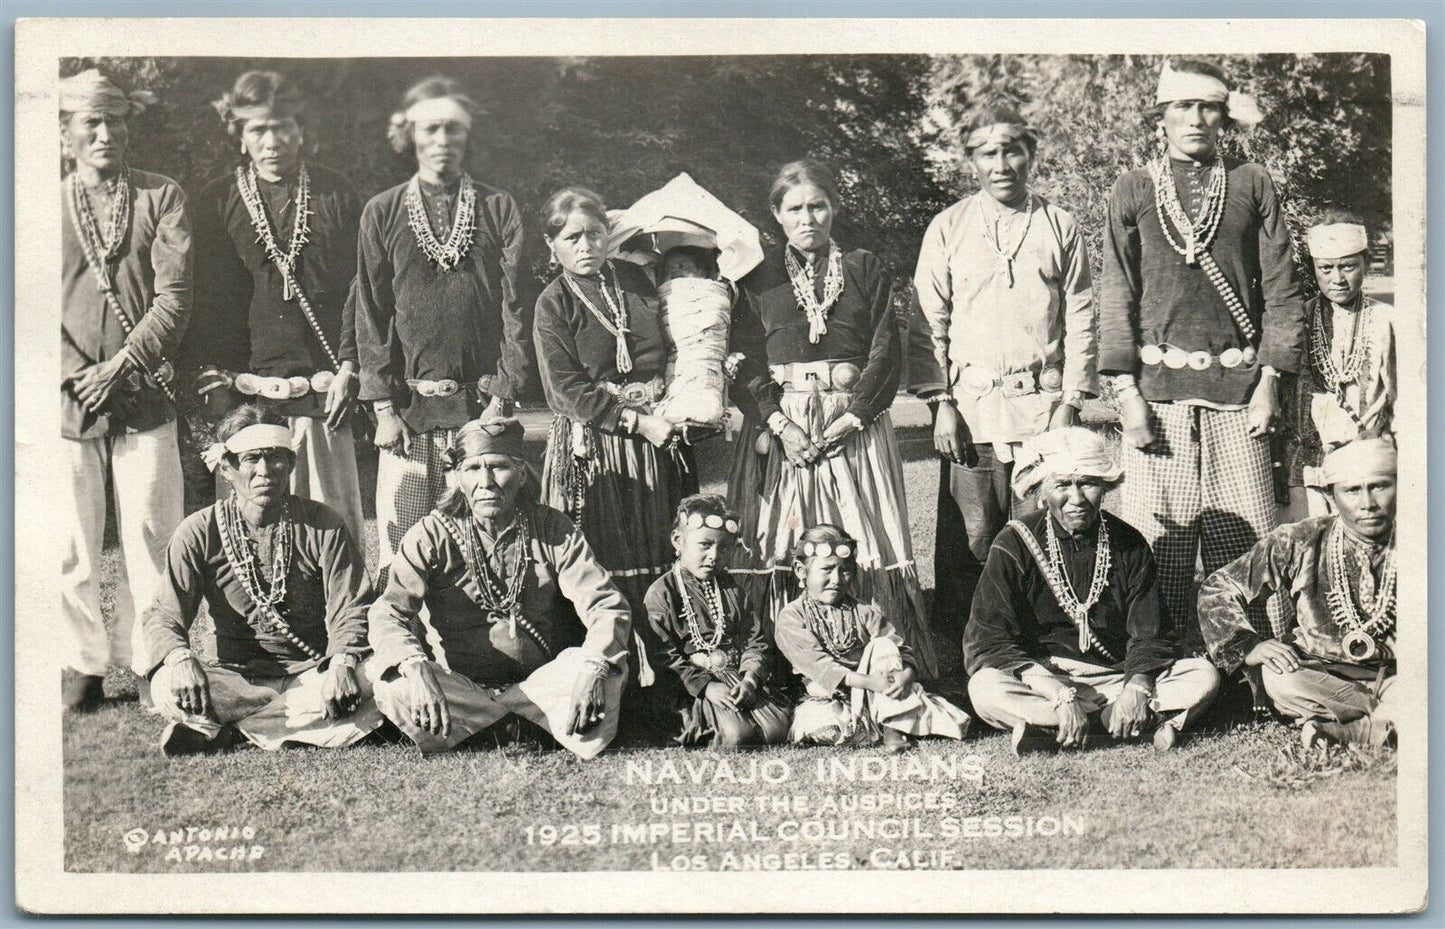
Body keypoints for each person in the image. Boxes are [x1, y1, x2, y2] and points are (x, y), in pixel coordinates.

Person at [1098, 59, 1304, 649]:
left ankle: (1254, 663)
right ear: (1160, 116)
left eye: (1207, 106)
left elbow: (1283, 291)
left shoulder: (1251, 181)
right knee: (1159, 541)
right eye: (1182, 106)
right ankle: (1159, 656)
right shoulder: (1133, 189)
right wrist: (1126, 396)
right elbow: (1117, 293)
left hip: (1239, 395)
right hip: (1157, 398)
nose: (1195, 119)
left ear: (1224, 116)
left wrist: (1270, 383)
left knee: (1245, 543)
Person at [729, 159, 938, 677]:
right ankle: (778, 663)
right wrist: (782, 425)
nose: (808, 218)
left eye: (817, 206)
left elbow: (886, 352)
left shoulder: (864, 267)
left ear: (833, 208)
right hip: (784, 426)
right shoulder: (755, 278)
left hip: (854, 424)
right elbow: (744, 362)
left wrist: (849, 422)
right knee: (778, 534)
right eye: (795, 208)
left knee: (864, 532)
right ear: (776, 214)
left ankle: (885, 659)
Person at [911, 105, 1097, 644]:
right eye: (988, 152)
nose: (1001, 163)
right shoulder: (948, 227)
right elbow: (928, 320)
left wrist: (1070, 401)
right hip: (970, 413)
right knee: (972, 536)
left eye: (1012, 149)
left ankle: (1045, 640)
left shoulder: (1059, 224)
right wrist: (940, 401)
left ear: (1031, 154)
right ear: (972, 160)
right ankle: (966, 649)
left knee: (1042, 529)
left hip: (1041, 408)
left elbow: (1082, 313)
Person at [368, 416, 631, 759]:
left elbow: (605, 605)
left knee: (605, 674)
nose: (486, 482)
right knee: (394, 686)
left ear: (522, 474)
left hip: (540, 686)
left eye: (498, 466)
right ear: (457, 477)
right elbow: (389, 610)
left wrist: (593, 667)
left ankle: (482, 731)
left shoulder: (553, 529)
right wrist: (415, 665)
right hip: (461, 689)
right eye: (473, 468)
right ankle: (527, 726)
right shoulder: (430, 533)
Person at [353, 77, 531, 579]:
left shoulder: (499, 208)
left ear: (468, 136)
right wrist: (383, 408)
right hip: (408, 415)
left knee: (479, 539)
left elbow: (516, 309)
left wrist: (502, 398)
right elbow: (371, 309)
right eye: (430, 129)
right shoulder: (382, 211)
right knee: (403, 542)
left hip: (479, 408)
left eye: (453, 129)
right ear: (410, 135)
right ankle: (403, 649)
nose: (442, 141)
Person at [187, 70, 366, 546]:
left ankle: (345, 617)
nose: (272, 141)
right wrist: (216, 380)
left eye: (283, 126)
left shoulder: (337, 193)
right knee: (255, 530)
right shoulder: (216, 200)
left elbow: (360, 288)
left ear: (302, 130)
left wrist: (350, 365)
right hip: (249, 395)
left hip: (325, 392)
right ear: (240, 137)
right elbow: (207, 300)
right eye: (258, 130)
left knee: (334, 525)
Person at [142, 405, 382, 756]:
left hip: (314, 673)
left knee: (380, 676)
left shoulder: (322, 524)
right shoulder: (199, 530)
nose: (264, 471)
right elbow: (164, 614)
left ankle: (233, 731)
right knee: (166, 685)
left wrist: (343, 662)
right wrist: (180, 659)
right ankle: (292, 718)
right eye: (251, 458)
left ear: (291, 464)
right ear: (227, 467)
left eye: (275, 458)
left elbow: (353, 606)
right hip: (235, 681)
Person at [60, 69, 191, 711]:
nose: (106, 133)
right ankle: (82, 665)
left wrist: (122, 365)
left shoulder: (161, 196)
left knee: (150, 532)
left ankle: (155, 660)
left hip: (142, 392)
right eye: (92, 122)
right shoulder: (42, 203)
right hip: (67, 399)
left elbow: (175, 295)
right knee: (73, 541)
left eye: (116, 120)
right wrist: (74, 376)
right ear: (66, 133)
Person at [964, 427, 1220, 755]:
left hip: (1116, 677)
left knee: (1201, 674)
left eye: (1088, 483)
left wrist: (1137, 688)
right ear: (1043, 490)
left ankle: (1057, 731)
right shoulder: (1014, 543)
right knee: (984, 687)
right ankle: (1134, 723)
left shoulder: (1128, 543)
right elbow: (989, 640)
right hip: (1044, 679)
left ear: (1105, 487)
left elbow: (1151, 632)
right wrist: (1057, 693)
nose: (1077, 499)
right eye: (1063, 485)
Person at [534, 186, 697, 643]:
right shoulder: (553, 302)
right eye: (571, 238)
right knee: (606, 551)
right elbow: (565, 390)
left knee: (664, 541)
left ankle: (671, 657)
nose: (584, 246)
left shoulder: (638, 281)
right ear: (551, 244)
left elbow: (680, 340)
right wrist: (637, 420)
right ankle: (610, 659)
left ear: (609, 234)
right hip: (599, 445)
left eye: (594, 234)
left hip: (659, 439)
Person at [1199, 438, 1398, 749]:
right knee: (1279, 678)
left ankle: (1351, 731)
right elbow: (1219, 587)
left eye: (1379, 486)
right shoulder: (1301, 539)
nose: (1367, 503)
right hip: (1322, 678)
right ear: (1332, 495)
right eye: (1352, 490)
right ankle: (1396, 720)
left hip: (1402, 675)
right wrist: (1247, 645)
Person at [774, 525, 971, 753]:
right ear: (801, 570)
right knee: (821, 727)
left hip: (878, 694)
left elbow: (901, 650)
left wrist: (906, 676)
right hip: (830, 698)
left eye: (845, 570)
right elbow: (819, 666)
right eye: (827, 569)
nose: (836, 579)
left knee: (883, 644)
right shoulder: (791, 617)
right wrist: (869, 682)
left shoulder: (864, 612)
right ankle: (885, 721)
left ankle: (891, 727)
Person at [641, 493, 792, 749]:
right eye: (704, 545)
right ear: (678, 541)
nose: (714, 556)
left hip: (736, 679)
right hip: (691, 687)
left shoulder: (732, 589)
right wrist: (706, 686)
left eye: (723, 548)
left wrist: (750, 680)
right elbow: (663, 656)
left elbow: (754, 640)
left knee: (776, 729)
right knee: (737, 737)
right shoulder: (662, 593)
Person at [1278, 210, 1396, 518]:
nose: (1338, 278)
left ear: (1365, 265)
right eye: (1326, 268)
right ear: (1313, 268)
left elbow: (1403, 402)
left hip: (1365, 461)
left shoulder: (1387, 320)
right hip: (1305, 469)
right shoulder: (1297, 320)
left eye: (1348, 267)